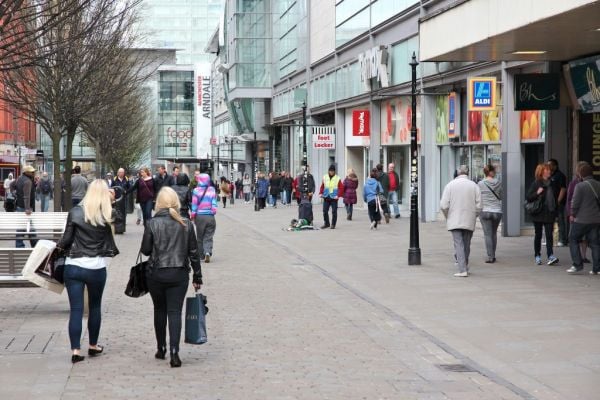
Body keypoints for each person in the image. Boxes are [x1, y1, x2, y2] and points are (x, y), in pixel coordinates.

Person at [56, 179, 120, 363]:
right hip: (97, 267)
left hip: (74, 266)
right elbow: (121, 219)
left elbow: (66, 240)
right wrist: (112, 202)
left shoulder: (75, 212)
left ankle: (75, 350)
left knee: (76, 309)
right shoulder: (108, 213)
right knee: (95, 306)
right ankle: (93, 345)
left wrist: (57, 248)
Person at [141, 187, 202, 368]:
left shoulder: (152, 223)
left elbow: (145, 250)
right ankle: (175, 352)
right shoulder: (186, 223)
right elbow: (194, 252)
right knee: (175, 311)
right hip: (179, 273)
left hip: (157, 273)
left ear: (159, 203)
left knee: (159, 310)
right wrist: (197, 276)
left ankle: (161, 347)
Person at [440, 165, 482, 277]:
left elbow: (443, 205)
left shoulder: (450, 185)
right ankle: (465, 265)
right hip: (469, 218)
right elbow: (479, 205)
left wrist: (447, 215)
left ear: (458, 173)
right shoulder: (474, 186)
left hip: (454, 219)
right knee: (466, 244)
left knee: (458, 244)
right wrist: (474, 215)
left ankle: (462, 269)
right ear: (467, 173)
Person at [566, 163, 600, 275]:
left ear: (581, 174)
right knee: (595, 244)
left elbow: (575, 203)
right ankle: (597, 268)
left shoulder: (580, 186)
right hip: (595, 220)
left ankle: (577, 264)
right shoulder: (598, 184)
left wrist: (572, 214)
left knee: (573, 239)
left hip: (581, 220)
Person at [526, 163, 560, 266]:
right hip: (538, 213)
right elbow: (529, 197)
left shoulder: (553, 183)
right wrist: (537, 193)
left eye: (549, 170)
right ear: (541, 172)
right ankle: (537, 255)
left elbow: (555, 199)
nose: (549, 171)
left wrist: (556, 212)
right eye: (547, 170)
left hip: (549, 212)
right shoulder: (536, 183)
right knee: (538, 235)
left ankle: (550, 256)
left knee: (549, 235)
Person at [190, 173, 218, 263]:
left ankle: (201, 255)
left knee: (200, 236)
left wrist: (193, 215)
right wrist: (213, 211)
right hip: (210, 216)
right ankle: (208, 252)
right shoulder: (212, 190)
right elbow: (214, 203)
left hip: (200, 216)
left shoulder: (196, 191)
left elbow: (194, 204)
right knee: (209, 236)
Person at [477, 165, 502, 263]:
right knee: (494, 233)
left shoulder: (480, 183)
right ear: (492, 172)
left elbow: (478, 197)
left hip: (485, 211)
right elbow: (501, 196)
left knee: (487, 234)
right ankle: (493, 254)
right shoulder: (499, 183)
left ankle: (490, 256)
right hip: (497, 211)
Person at [566, 162, 590, 264]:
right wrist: (570, 214)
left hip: (583, 214)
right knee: (575, 237)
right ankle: (578, 258)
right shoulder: (573, 184)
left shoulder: (587, 183)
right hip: (576, 214)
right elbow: (569, 199)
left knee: (583, 238)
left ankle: (583, 257)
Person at [15, 165, 38, 248]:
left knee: (22, 227)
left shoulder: (19, 178)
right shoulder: (27, 181)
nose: (33, 173)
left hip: (19, 206)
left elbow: (12, 185)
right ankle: (34, 245)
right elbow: (27, 196)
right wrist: (27, 208)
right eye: (32, 172)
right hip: (25, 208)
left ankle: (21, 245)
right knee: (29, 228)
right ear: (27, 172)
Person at [548, 159, 568, 246]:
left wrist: (558, 201)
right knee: (549, 221)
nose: (548, 166)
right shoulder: (549, 175)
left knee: (560, 220)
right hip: (550, 203)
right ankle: (550, 239)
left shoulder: (560, 175)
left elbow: (563, 189)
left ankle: (562, 240)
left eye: (550, 165)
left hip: (558, 203)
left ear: (555, 166)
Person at [319, 164, 344, 229]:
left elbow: (341, 188)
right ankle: (326, 223)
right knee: (325, 211)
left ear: (334, 171)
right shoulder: (325, 177)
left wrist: (338, 195)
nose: (331, 172)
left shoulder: (337, 178)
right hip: (326, 196)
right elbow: (322, 186)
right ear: (328, 171)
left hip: (334, 197)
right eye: (330, 171)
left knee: (334, 211)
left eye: (332, 171)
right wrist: (320, 193)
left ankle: (333, 224)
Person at [112, 168, 130, 234]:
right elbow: (111, 188)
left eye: (122, 172)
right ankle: (117, 227)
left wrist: (126, 192)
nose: (121, 174)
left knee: (124, 212)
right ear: (117, 173)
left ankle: (122, 227)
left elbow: (129, 187)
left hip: (124, 198)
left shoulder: (126, 179)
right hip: (116, 199)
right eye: (120, 172)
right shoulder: (114, 179)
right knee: (116, 212)